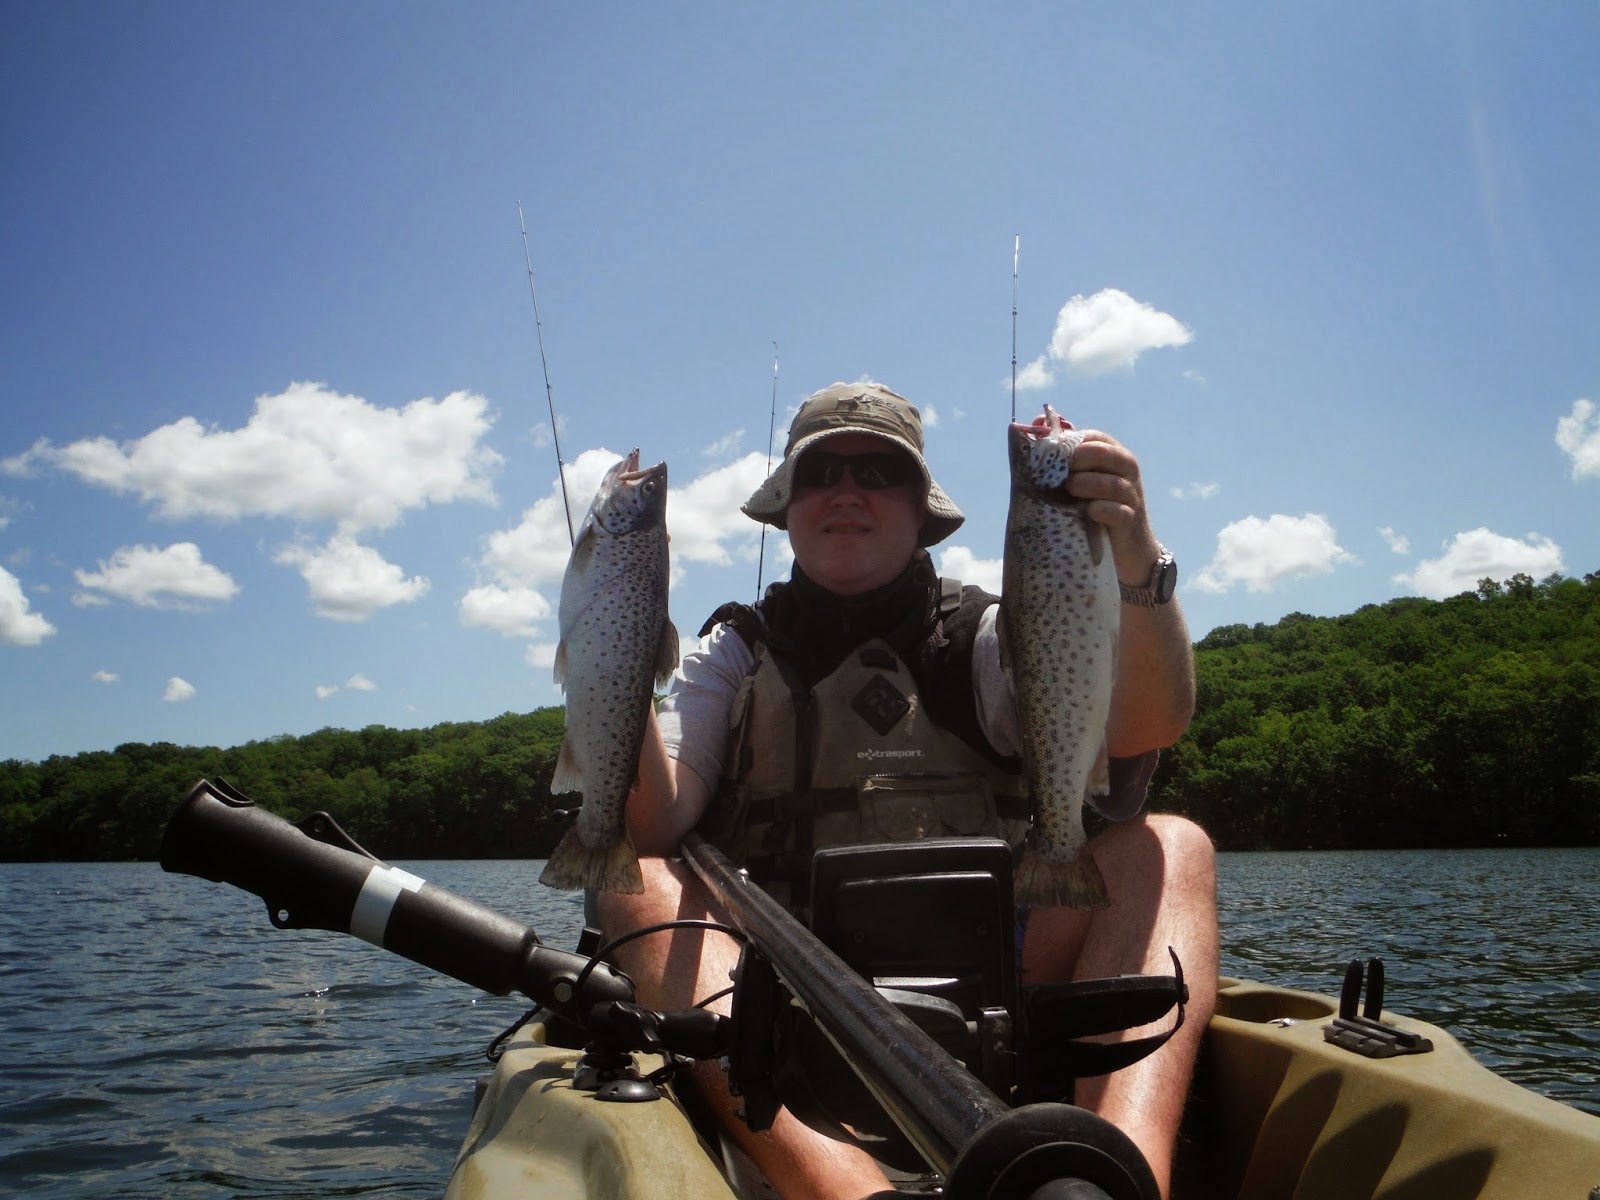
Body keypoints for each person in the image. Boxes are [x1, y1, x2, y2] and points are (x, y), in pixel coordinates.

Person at [598, 381, 1217, 1200]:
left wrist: (1136, 561)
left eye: (878, 472)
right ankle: (848, 1191)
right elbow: (652, 821)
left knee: (1170, 847)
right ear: (787, 508)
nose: (847, 491)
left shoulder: (994, 635)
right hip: (780, 1000)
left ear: (920, 509)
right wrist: (618, 643)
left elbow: (1145, 728)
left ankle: (1126, 1179)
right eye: (821, 473)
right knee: (635, 880)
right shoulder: (730, 654)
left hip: (1005, 980)